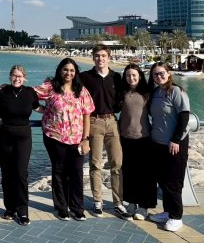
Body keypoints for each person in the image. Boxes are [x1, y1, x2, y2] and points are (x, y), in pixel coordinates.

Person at [34, 58, 94, 221]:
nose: (68, 73)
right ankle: (61, 207)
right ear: (60, 70)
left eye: (72, 70)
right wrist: (43, 109)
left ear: (76, 73)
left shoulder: (81, 91)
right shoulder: (50, 88)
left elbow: (87, 115)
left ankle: (77, 208)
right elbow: (30, 95)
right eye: (65, 69)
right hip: (55, 137)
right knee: (58, 171)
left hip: (77, 139)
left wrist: (86, 138)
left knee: (76, 173)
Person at [81, 44, 131, 220]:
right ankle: (98, 201)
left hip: (112, 122)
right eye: (97, 55)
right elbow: (65, 86)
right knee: (95, 164)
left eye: (103, 55)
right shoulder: (85, 77)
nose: (100, 58)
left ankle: (118, 203)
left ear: (109, 57)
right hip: (93, 122)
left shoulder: (116, 77)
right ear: (93, 57)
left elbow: (130, 91)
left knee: (117, 164)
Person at [0, 65, 40, 226]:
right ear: (9, 76)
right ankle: (10, 209)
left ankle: (23, 211)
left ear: (24, 77)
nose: (17, 78)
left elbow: (39, 108)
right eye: (14, 75)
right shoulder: (1, 92)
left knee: (21, 173)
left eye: (20, 76)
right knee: (7, 173)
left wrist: (60, 113)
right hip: (3, 137)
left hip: (23, 138)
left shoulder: (30, 92)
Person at [148, 62, 190, 232]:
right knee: (163, 181)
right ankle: (168, 211)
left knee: (173, 182)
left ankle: (176, 217)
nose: (159, 76)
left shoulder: (176, 91)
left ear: (168, 73)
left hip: (174, 144)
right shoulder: (156, 92)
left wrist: (176, 140)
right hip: (158, 143)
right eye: (155, 74)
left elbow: (184, 117)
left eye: (162, 73)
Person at [117, 63, 157, 220]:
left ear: (139, 76)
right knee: (129, 172)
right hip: (125, 138)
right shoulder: (122, 92)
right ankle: (132, 202)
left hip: (144, 138)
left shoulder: (147, 93)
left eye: (134, 75)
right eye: (128, 75)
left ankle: (144, 206)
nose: (131, 78)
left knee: (145, 174)